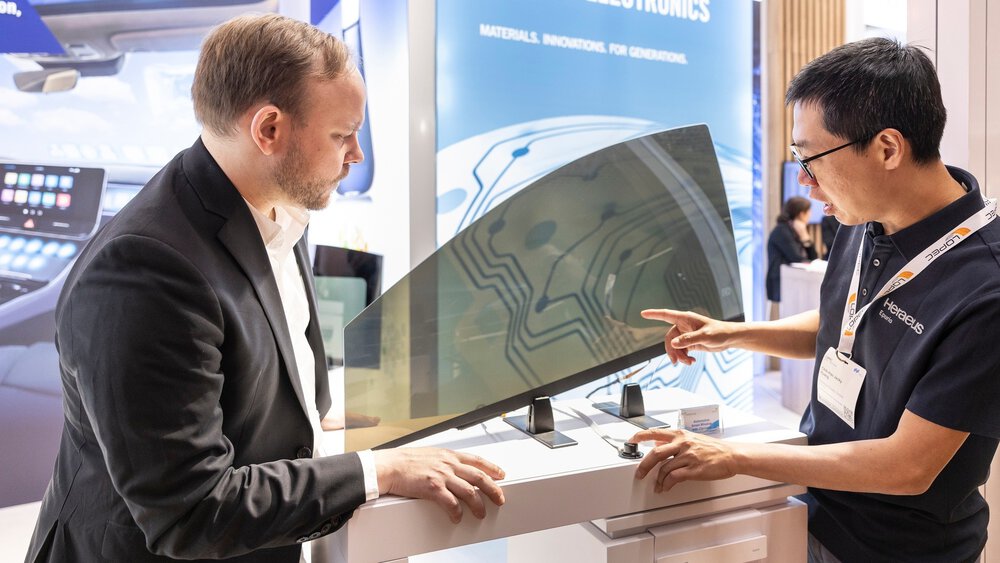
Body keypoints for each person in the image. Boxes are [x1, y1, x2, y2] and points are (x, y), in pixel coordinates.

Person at [25, 14, 505, 563]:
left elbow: (259, 362)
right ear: (270, 130)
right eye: (342, 135)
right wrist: (380, 471)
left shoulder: (277, 207)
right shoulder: (145, 269)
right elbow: (190, 511)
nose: (356, 155)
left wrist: (310, 414)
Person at [632, 37, 1000, 563]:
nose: (804, 183)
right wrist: (730, 333)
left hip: (901, 549)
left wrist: (732, 456)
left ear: (888, 148)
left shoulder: (987, 285)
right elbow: (841, 328)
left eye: (812, 159)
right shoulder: (863, 215)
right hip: (814, 509)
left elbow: (908, 467)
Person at [766, 196, 818, 302]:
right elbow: (797, 258)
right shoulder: (782, 231)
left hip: (794, 282)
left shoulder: (796, 230)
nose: (810, 215)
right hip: (780, 283)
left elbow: (814, 258)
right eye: (809, 212)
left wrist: (805, 237)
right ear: (801, 214)